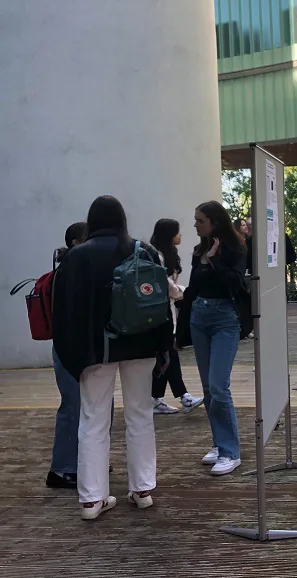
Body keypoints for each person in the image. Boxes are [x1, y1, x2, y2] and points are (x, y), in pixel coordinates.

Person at [52, 196, 170, 520]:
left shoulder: (76, 257)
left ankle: (92, 500)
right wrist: (164, 347)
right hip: (141, 345)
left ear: (91, 221)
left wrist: (72, 356)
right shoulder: (143, 250)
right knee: (140, 415)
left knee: (93, 420)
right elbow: (160, 305)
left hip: (95, 351)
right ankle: (142, 489)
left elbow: (62, 312)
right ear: (122, 219)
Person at [181, 201, 248, 475]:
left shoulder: (236, 248)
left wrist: (214, 260)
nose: (195, 225)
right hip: (200, 316)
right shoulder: (198, 250)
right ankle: (220, 444)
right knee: (209, 389)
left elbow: (234, 283)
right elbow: (194, 287)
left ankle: (231, 451)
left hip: (225, 318)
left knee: (219, 386)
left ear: (215, 222)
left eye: (200, 220)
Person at [45, 221, 88, 490]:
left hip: (71, 347)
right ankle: (62, 469)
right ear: (75, 242)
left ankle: (81, 461)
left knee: (84, 406)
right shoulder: (72, 270)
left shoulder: (70, 268)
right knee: (74, 407)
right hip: (70, 347)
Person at [148, 219, 203, 414]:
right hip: (161, 313)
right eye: (177, 233)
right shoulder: (158, 256)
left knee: (167, 356)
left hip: (166, 312)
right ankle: (182, 396)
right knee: (168, 355)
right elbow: (166, 286)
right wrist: (185, 292)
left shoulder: (165, 254)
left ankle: (158, 398)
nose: (181, 236)